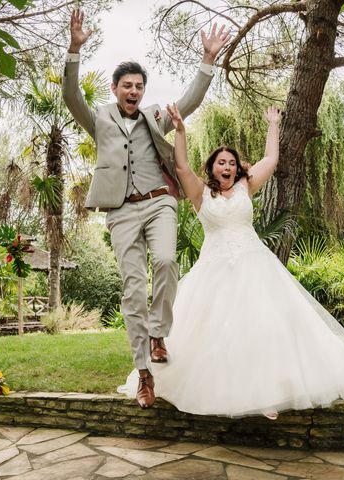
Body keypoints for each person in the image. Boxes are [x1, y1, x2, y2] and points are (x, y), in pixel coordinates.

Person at [118, 103, 344, 418]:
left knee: (266, 325)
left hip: (255, 265)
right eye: (220, 162)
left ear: (237, 169)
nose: (226, 166)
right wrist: (182, 131)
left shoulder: (246, 186)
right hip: (213, 268)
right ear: (212, 168)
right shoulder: (200, 194)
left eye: (231, 162)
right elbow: (183, 167)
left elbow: (271, 159)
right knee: (213, 331)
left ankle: (270, 391)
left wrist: (273, 124)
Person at [62, 9, 231, 409]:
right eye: (127, 86)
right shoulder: (99, 119)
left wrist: (207, 59)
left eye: (139, 85)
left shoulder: (156, 116)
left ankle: (159, 333)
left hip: (160, 203)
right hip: (121, 210)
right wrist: (74, 49)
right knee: (133, 289)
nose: (133, 91)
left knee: (168, 261)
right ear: (115, 88)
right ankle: (144, 374)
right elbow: (71, 96)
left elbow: (189, 101)